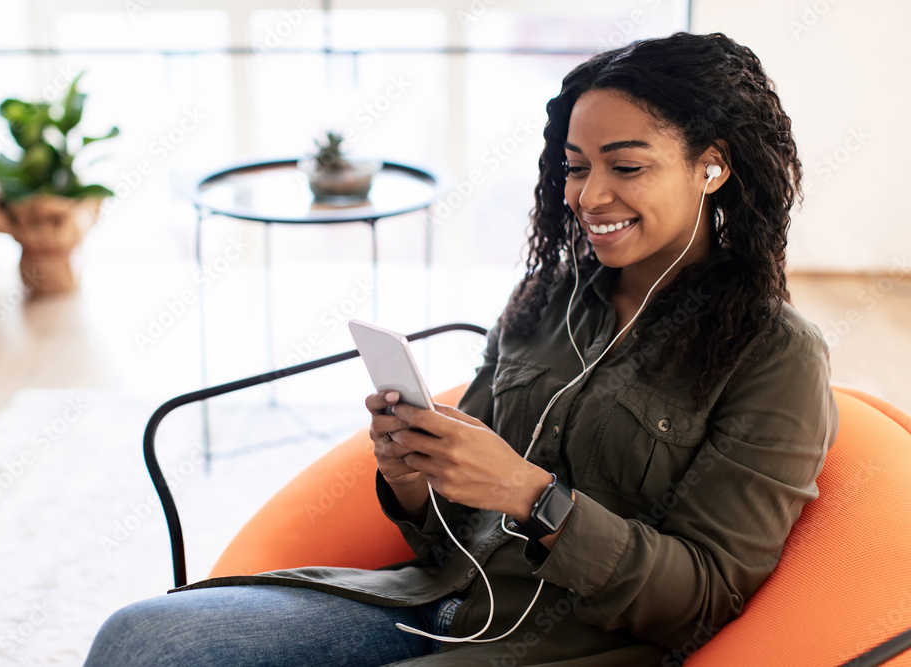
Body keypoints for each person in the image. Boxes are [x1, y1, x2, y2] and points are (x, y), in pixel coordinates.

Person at [85, 31, 839, 666]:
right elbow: (446, 521)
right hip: (436, 600)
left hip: (562, 647)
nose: (588, 195)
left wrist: (534, 497)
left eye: (627, 165)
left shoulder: (776, 358)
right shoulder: (548, 297)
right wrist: (412, 472)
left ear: (712, 165)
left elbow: (700, 598)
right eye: (575, 166)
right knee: (138, 638)